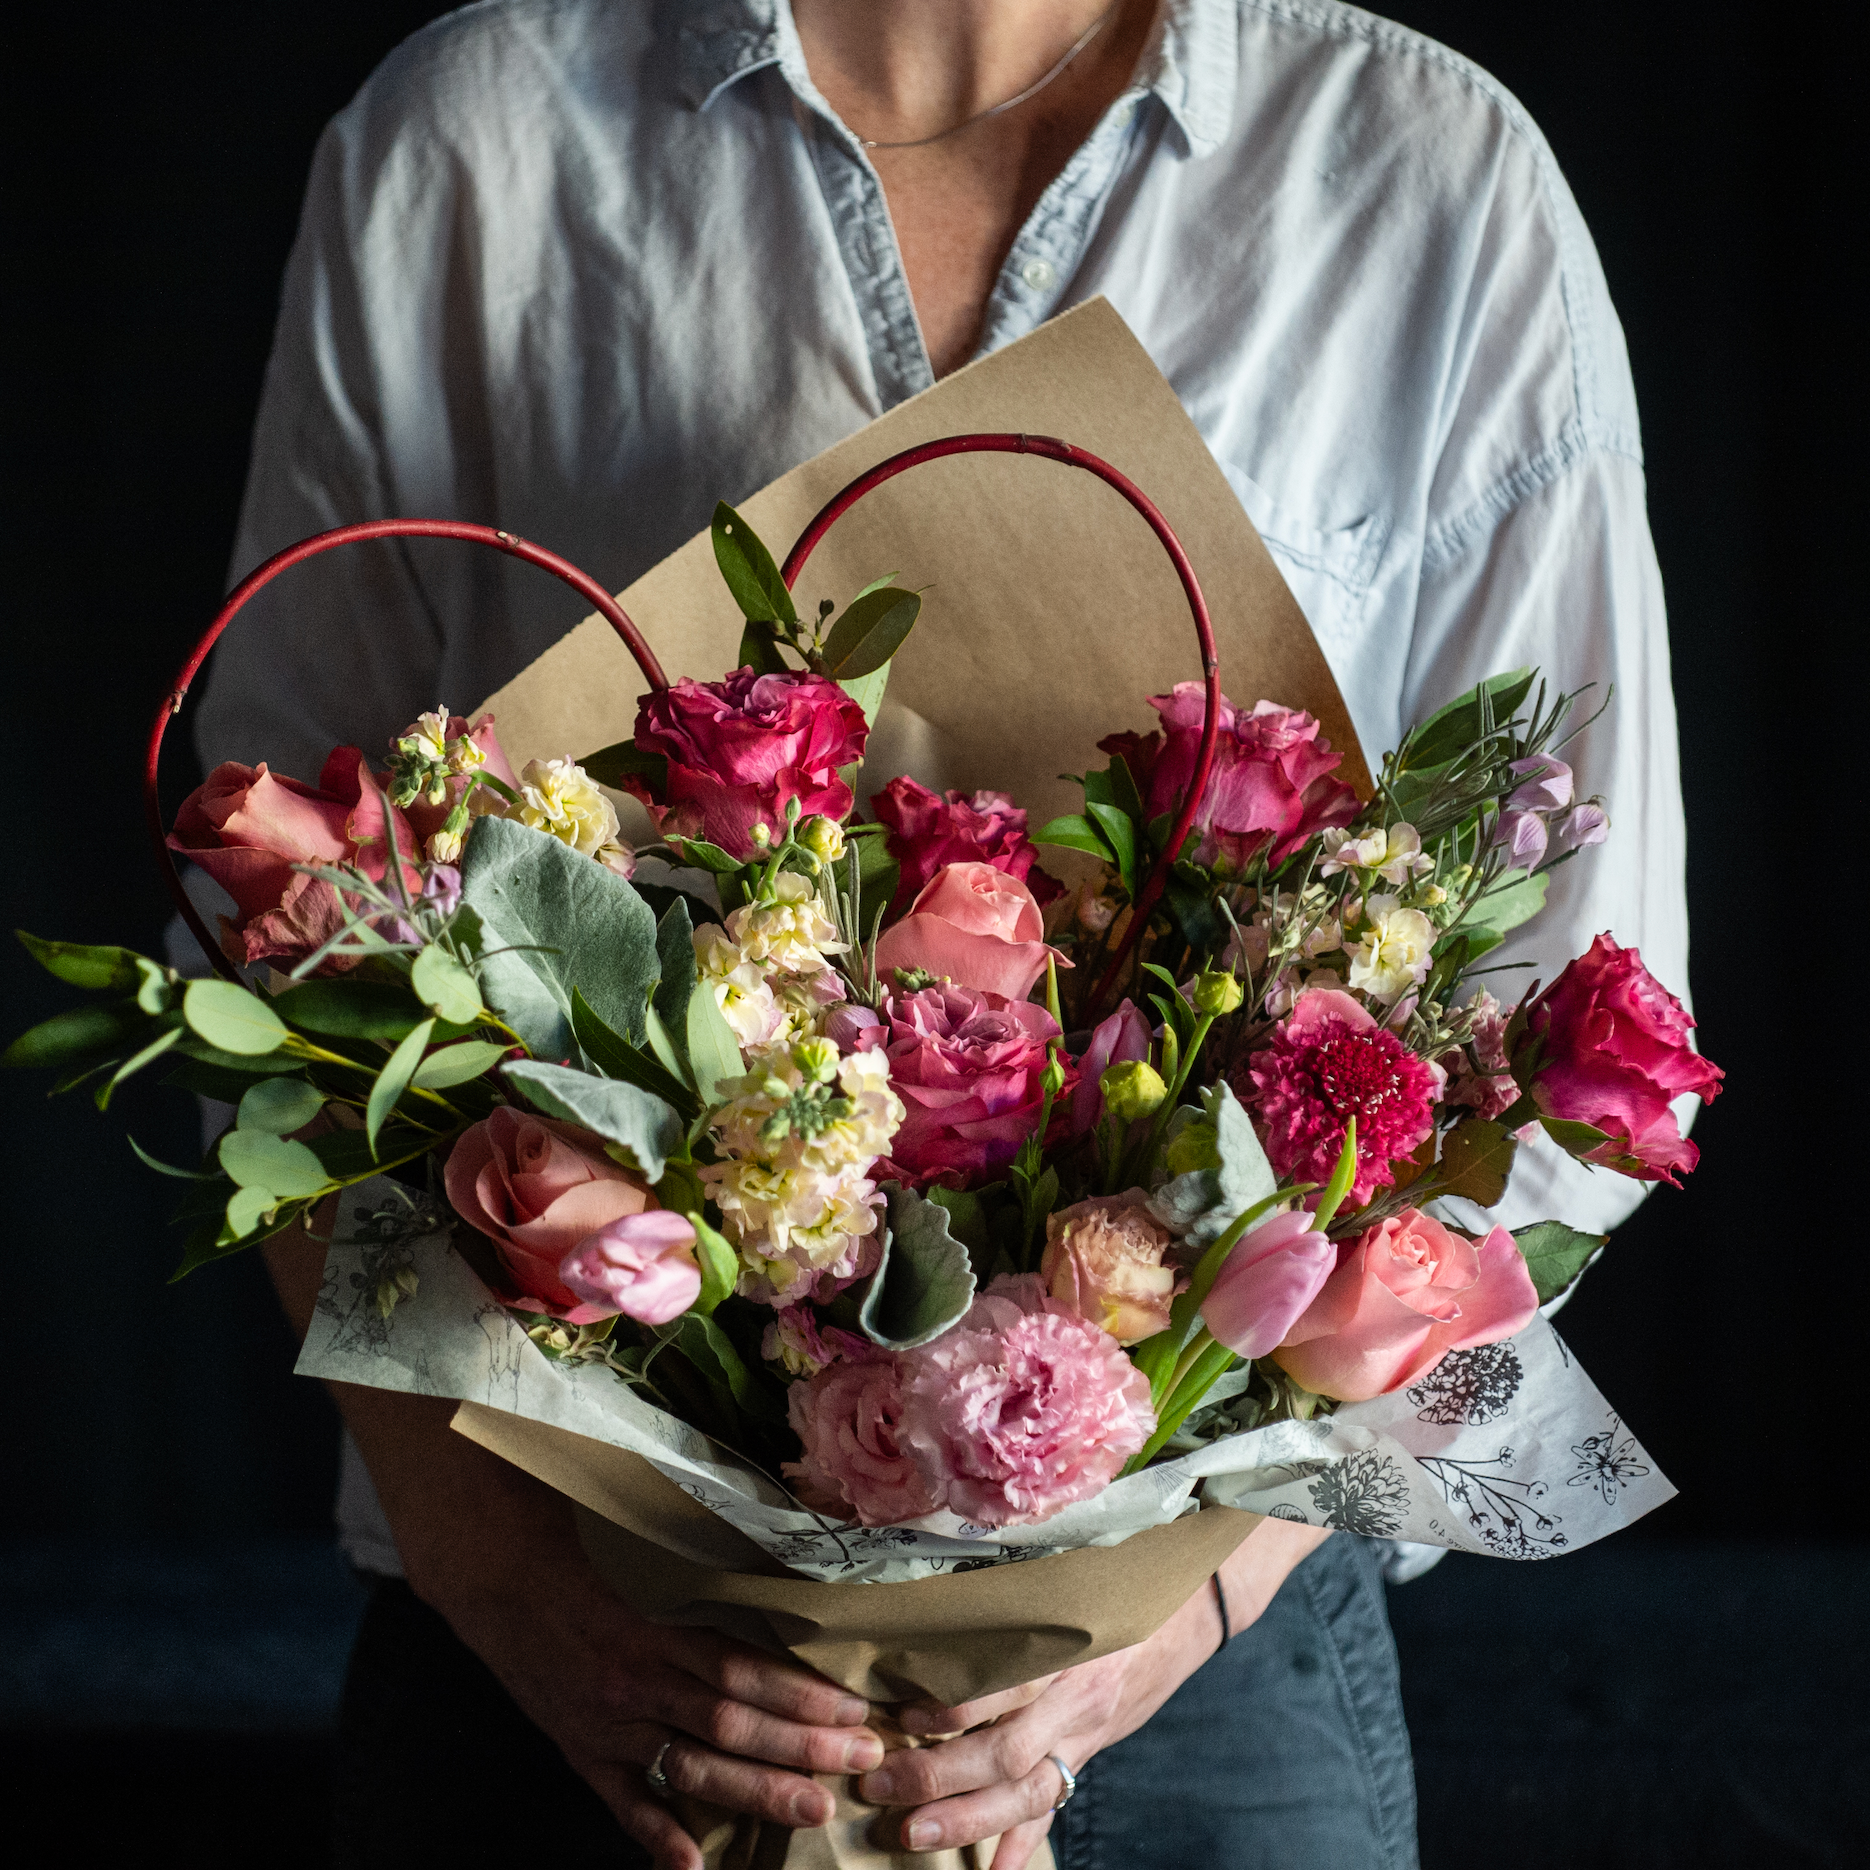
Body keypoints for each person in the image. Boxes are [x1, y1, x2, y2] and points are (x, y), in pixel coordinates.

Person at [198, 3, 1689, 1866]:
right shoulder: (479, 140)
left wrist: (1143, 1639)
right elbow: (272, 946)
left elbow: (1552, 1029)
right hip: (583, 1646)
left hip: (1192, 1688)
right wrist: (503, 1583)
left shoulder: (1423, 174)